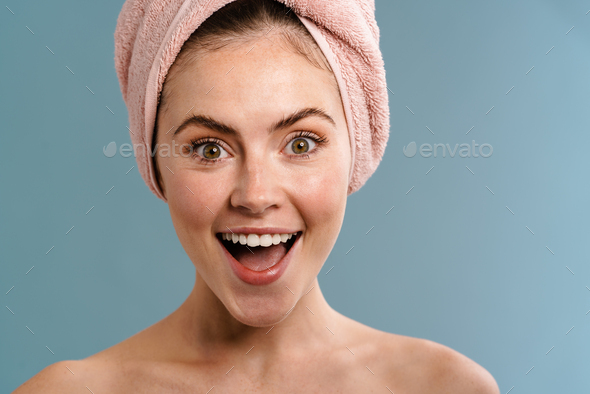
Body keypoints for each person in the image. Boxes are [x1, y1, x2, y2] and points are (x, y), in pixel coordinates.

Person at [14, 1, 500, 392]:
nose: (255, 195)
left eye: (301, 143)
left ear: (357, 150)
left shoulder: (445, 387)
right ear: (156, 164)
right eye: (209, 148)